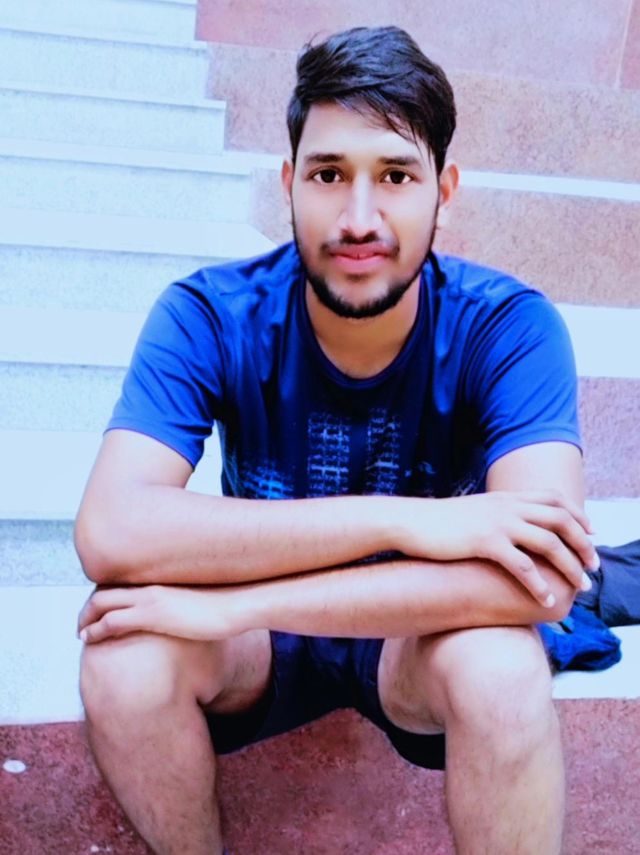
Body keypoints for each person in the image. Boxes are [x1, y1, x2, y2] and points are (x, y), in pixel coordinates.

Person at [74, 25, 600, 855]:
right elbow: (111, 529)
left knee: (504, 670)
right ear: (289, 184)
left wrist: (241, 602)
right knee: (122, 661)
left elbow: (543, 583)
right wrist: (409, 521)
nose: (360, 218)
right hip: (260, 657)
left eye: (395, 176)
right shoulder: (209, 313)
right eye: (328, 175)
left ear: (444, 191)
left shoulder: (508, 326)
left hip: (412, 637)